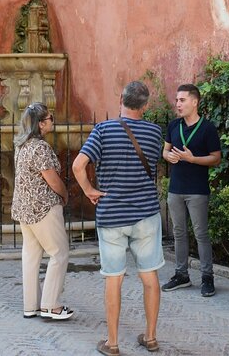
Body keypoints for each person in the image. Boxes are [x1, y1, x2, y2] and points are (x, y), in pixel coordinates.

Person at [73, 81, 164, 356]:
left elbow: (79, 165)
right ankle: (150, 338)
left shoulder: (103, 130)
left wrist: (90, 191)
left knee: (114, 278)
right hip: (146, 213)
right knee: (150, 277)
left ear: (121, 99)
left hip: (112, 214)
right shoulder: (154, 132)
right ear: (145, 105)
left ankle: (112, 343)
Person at [11, 102, 74, 320]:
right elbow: (52, 180)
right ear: (40, 124)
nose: (52, 121)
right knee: (59, 253)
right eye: (49, 118)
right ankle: (51, 305)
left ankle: (31, 305)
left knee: (31, 256)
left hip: (24, 209)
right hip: (43, 208)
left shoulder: (21, 145)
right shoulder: (40, 147)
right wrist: (65, 194)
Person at [162, 84, 221, 297]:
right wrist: (168, 156)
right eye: (177, 100)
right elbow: (165, 151)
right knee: (179, 233)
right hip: (175, 188)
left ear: (195, 102)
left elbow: (216, 158)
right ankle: (181, 275)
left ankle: (207, 277)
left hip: (197, 190)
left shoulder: (207, 128)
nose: (178, 104)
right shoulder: (173, 125)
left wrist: (193, 159)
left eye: (182, 100)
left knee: (201, 234)